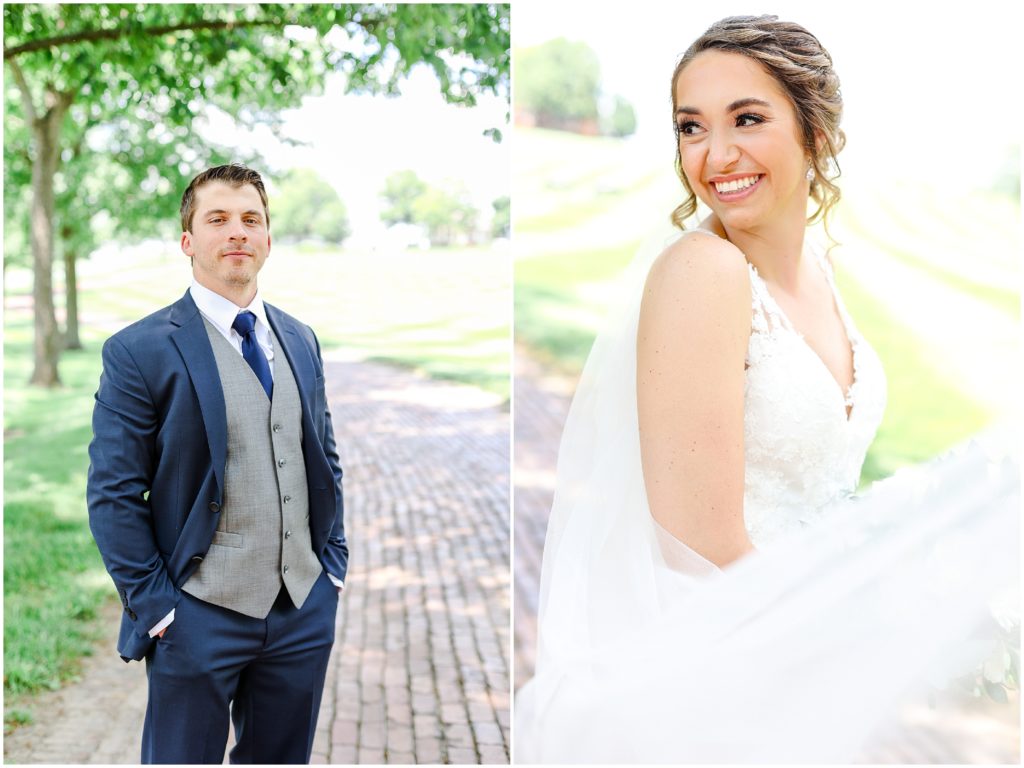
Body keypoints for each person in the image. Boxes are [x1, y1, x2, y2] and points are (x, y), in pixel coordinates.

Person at [514, 16, 1017, 763]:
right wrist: (873, 630)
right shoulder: (702, 273)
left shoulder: (819, 270)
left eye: (746, 118)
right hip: (718, 676)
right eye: (692, 127)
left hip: (788, 668)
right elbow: (699, 546)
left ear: (815, 133)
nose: (715, 155)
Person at [87, 163, 348, 764]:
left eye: (250, 219)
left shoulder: (300, 338)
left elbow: (324, 459)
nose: (237, 232)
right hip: (196, 615)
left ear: (267, 240)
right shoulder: (139, 350)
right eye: (218, 219)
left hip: (301, 609)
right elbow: (113, 495)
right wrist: (159, 610)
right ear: (188, 242)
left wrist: (330, 567)